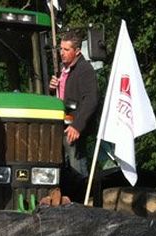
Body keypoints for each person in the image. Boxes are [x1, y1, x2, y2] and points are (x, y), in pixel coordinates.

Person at [49, 31, 99, 179]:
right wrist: (52, 89)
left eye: (66, 50)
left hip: (74, 129)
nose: (62, 53)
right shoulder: (62, 70)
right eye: (60, 49)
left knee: (77, 170)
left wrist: (78, 125)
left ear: (77, 51)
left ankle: (82, 198)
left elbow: (91, 99)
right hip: (61, 125)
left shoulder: (84, 69)